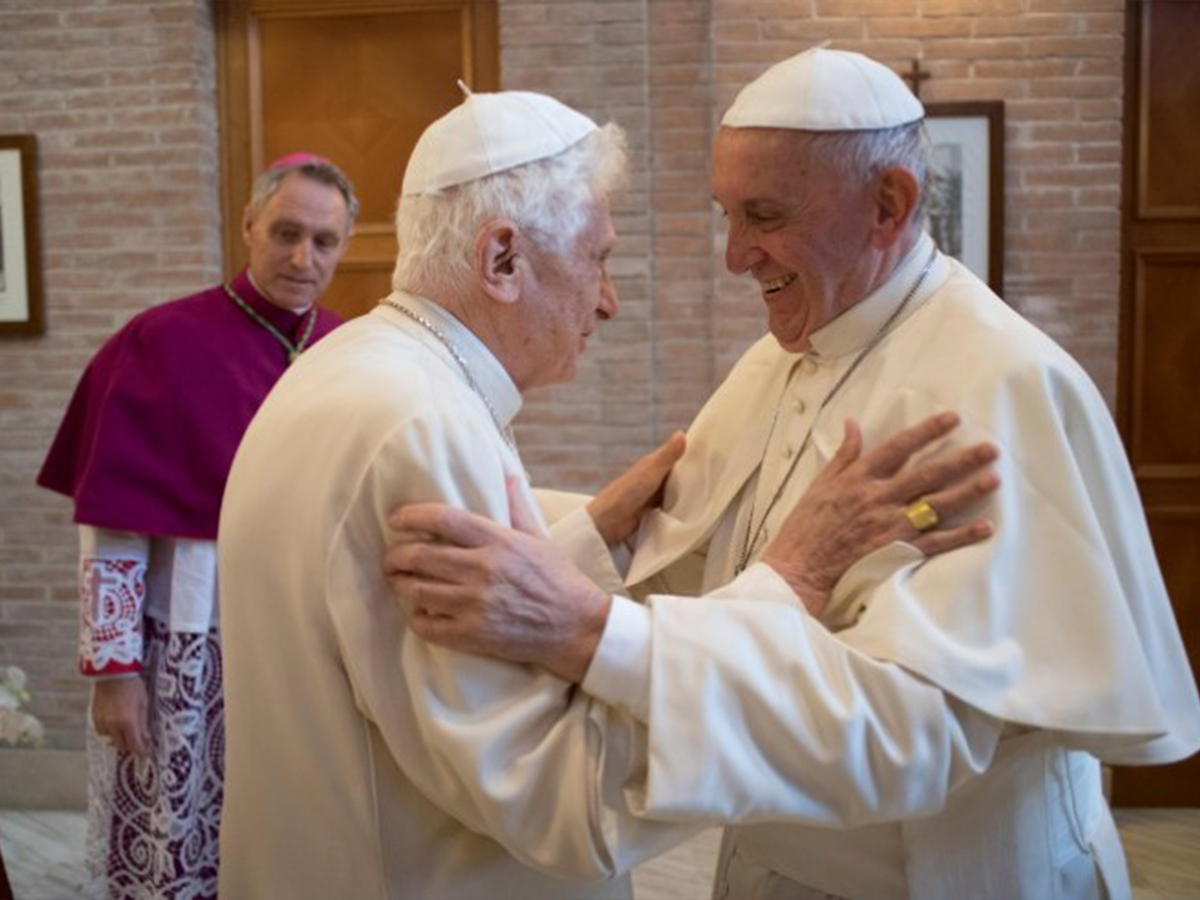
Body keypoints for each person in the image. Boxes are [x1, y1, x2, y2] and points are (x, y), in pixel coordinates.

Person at [386, 48, 1200, 900]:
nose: (735, 256)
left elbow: (913, 736)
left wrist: (594, 633)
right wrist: (592, 544)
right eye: (727, 215)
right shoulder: (782, 358)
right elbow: (709, 574)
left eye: (765, 216)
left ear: (888, 206)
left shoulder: (995, 389)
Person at [216, 89, 998, 900]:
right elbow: (565, 797)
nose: (608, 299)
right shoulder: (422, 426)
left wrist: (592, 541)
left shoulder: (356, 368)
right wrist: (788, 580)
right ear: (503, 260)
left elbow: (404, 641)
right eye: (599, 258)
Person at [36, 153, 357, 900]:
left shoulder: (351, 349)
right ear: (248, 226)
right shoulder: (159, 342)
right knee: (177, 839)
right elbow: (112, 525)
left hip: (307, 652)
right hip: (186, 653)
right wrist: (115, 673)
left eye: (324, 241)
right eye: (285, 233)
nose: (302, 259)